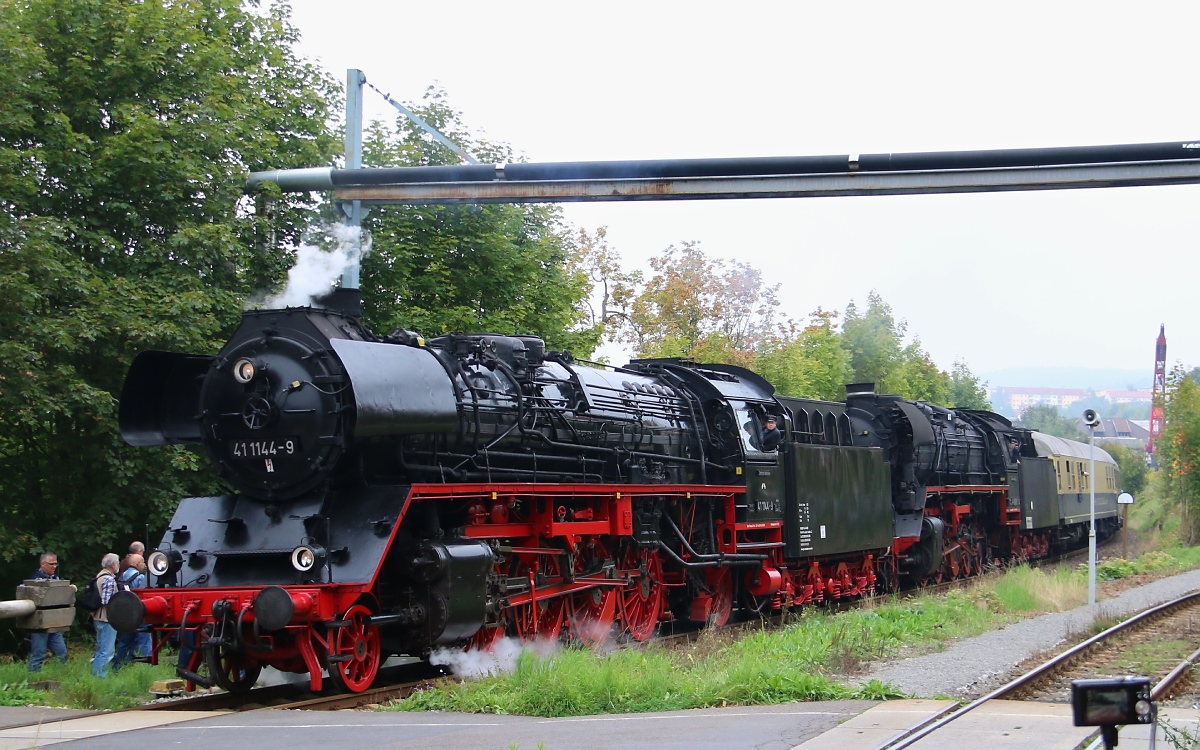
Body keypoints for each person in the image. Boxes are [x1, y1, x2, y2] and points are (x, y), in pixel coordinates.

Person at [27, 552, 72, 672]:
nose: (54, 566)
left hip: (54, 622)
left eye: (56, 564)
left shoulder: (55, 578)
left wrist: (69, 589)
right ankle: (31, 680)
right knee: (38, 655)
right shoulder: (34, 579)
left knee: (61, 653)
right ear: (42, 564)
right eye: (51, 564)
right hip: (40, 624)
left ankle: (60, 677)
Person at [113, 553, 149, 670]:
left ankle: (118, 666)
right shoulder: (140, 577)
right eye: (143, 562)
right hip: (140, 613)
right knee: (145, 640)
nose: (144, 565)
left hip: (127, 614)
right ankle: (148, 665)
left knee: (125, 641)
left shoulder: (123, 576)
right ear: (137, 564)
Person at [90, 553, 120, 678]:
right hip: (106, 618)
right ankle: (101, 676)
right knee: (107, 651)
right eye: (117, 562)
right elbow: (107, 601)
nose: (119, 565)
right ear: (113, 565)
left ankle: (95, 675)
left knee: (100, 648)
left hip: (98, 617)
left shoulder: (99, 576)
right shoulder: (109, 579)